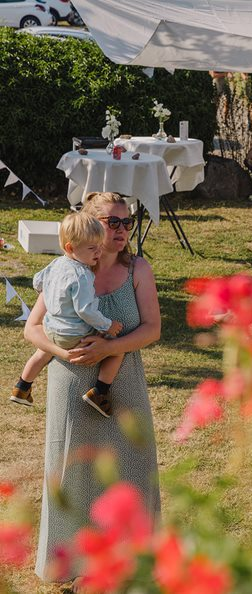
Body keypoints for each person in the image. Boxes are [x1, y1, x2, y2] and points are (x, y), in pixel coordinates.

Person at [25, 192, 161, 587]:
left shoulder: (139, 268)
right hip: (69, 383)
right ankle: (69, 566)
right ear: (90, 223)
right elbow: (32, 328)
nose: (122, 230)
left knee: (130, 470)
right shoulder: (66, 268)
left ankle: (131, 565)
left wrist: (109, 347)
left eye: (127, 221)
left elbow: (152, 329)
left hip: (123, 386)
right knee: (71, 474)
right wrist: (61, 353)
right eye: (111, 222)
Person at [12, 212, 124, 417]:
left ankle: (22, 386)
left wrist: (52, 291)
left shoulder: (56, 264)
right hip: (74, 335)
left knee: (42, 352)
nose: (98, 252)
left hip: (51, 329)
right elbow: (85, 310)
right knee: (117, 349)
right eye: (92, 248)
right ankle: (100, 391)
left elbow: (38, 280)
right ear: (70, 248)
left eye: (99, 246)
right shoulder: (82, 275)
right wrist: (107, 326)